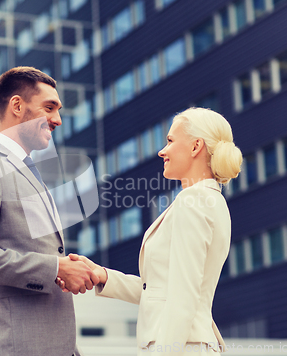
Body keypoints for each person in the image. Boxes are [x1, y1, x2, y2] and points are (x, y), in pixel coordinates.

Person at [59, 107, 243, 355]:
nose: (162, 150)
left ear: (195, 147)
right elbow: (161, 291)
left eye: (169, 141)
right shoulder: (208, 200)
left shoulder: (193, 202)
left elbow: (183, 297)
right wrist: (103, 275)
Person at [0, 66, 99, 356]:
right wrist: (55, 268)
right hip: (13, 347)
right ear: (17, 105)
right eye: (49, 107)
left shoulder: (31, 174)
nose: (57, 119)